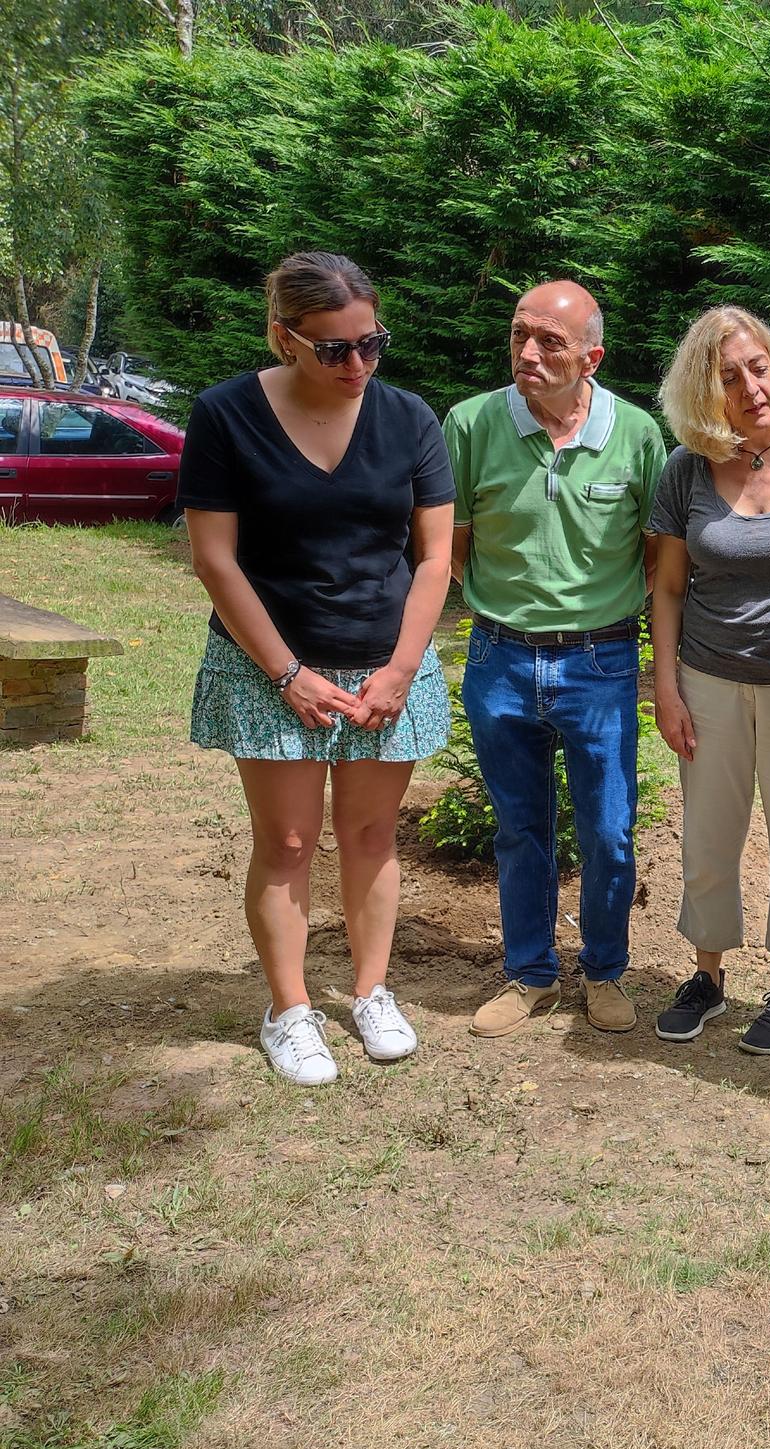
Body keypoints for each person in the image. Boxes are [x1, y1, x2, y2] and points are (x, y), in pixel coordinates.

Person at [184, 250, 452, 1086]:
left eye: (372, 343)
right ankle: (289, 1009)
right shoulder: (225, 415)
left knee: (372, 835)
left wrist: (403, 669)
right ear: (284, 338)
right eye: (334, 348)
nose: (358, 365)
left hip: (385, 666)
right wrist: (286, 672)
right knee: (290, 839)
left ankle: (371, 992)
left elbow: (436, 557)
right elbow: (216, 560)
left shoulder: (409, 417)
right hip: (269, 665)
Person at [446, 280, 668, 1041]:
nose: (528, 353)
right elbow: (453, 547)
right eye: (519, 336)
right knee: (519, 827)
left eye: (549, 342)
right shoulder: (471, 424)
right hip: (499, 658)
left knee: (609, 830)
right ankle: (532, 972)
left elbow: (656, 558)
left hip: (600, 664)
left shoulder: (637, 435)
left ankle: (604, 971)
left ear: (592, 357)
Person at [648, 306, 770, 1055]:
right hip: (708, 678)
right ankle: (706, 973)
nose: (751, 385)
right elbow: (667, 587)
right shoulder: (687, 467)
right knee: (709, 832)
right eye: (729, 376)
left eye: (758, 366)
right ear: (706, 392)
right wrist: (665, 686)